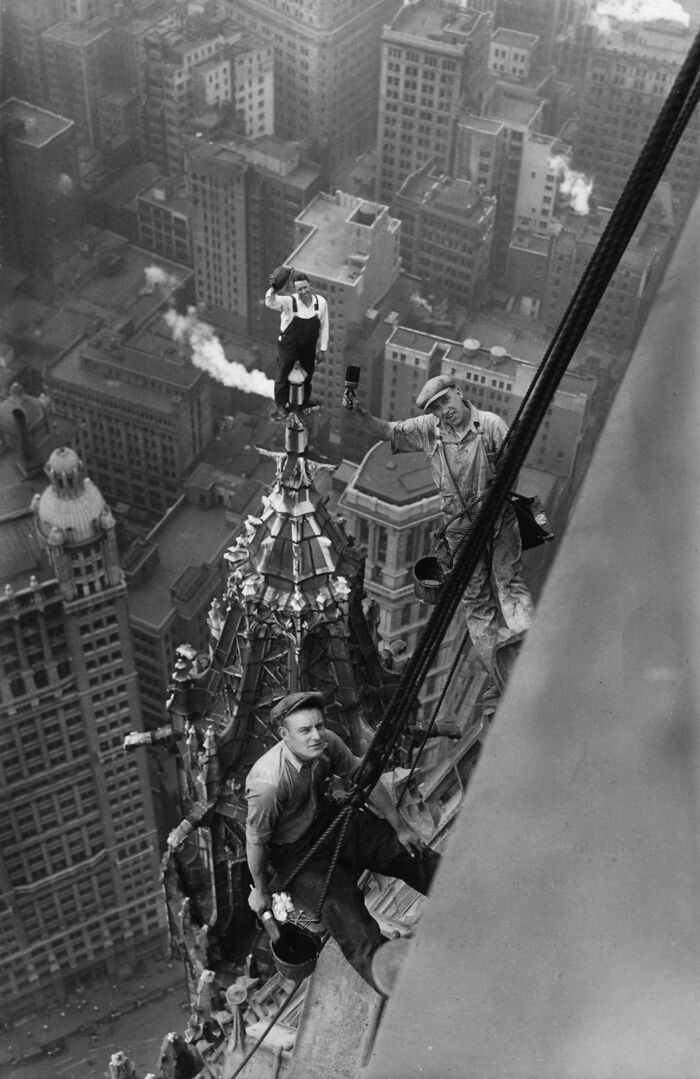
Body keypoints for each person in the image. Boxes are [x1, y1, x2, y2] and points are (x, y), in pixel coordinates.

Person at [245, 690, 440, 992]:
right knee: (354, 928)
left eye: (319, 726)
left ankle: (471, 899)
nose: (316, 736)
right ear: (284, 735)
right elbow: (256, 841)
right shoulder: (267, 784)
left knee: (410, 855)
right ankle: (406, 994)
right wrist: (260, 891)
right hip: (298, 854)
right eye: (305, 730)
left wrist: (400, 827)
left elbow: (363, 776)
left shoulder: (327, 743)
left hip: (331, 820)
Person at [345, 374, 533, 685]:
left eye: (445, 401)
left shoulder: (491, 425)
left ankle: (528, 655)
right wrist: (358, 413)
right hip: (458, 530)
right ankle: (503, 678)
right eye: (435, 408)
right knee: (477, 604)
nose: (443, 411)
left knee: (509, 584)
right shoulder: (428, 432)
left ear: (459, 393)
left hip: (498, 520)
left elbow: (513, 468)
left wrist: (491, 505)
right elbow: (387, 431)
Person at [265, 271, 329, 414]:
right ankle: (281, 404)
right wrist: (274, 289)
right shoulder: (289, 302)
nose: (304, 291)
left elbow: (325, 326)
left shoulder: (321, 303)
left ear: (310, 285)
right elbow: (269, 302)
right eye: (300, 289)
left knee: (307, 373)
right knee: (283, 373)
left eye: (305, 287)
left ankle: (304, 402)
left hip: (308, 346)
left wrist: (323, 349)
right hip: (289, 344)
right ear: (295, 290)